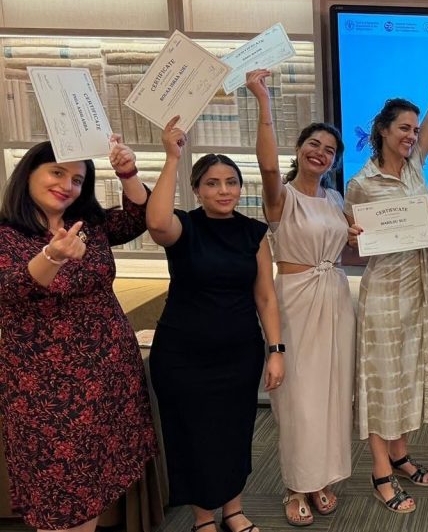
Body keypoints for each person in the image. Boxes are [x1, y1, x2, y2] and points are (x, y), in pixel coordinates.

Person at [0, 138, 156, 532]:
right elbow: (12, 288)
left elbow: (140, 217)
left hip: (109, 381)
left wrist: (127, 172)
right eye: (57, 172)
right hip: (49, 394)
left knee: (94, 487)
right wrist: (52, 256)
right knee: (59, 498)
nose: (66, 185)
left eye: (77, 179)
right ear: (28, 173)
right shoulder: (7, 234)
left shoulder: (87, 225)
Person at [344, 20, 428, 514]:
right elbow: (352, 244)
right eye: (404, 129)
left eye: (415, 130)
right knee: (380, 380)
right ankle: (379, 471)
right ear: (383, 131)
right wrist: (353, 237)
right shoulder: (360, 184)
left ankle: (400, 454)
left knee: (411, 374)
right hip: (382, 293)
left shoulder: (415, 167)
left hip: (418, 288)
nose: (413, 135)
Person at [147, 116, 285, 532]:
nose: (223, 190)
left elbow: (265, 296)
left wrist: (276, 351)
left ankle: (233, 510)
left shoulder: (253, 233)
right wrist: (172, 157)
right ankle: (203, 517)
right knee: (192, 435)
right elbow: (156, 223)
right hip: (182, 356)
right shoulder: (183, 227)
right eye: (212, 183)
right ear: (196, 189)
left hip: (239, 353)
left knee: (234, 432)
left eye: (230, 182)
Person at [245, 69, 354, 526]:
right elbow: (268, 167)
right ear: (299, 149)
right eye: (314, 144)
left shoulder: (335, 199)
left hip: (336, 298)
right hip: (295, 300)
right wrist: (263, 102)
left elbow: (348, 242)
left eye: (329, 150)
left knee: (332, 395)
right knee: (298, 399)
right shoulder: (282, 196)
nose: (320, 153)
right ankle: (295, 484)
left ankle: (321, 477)